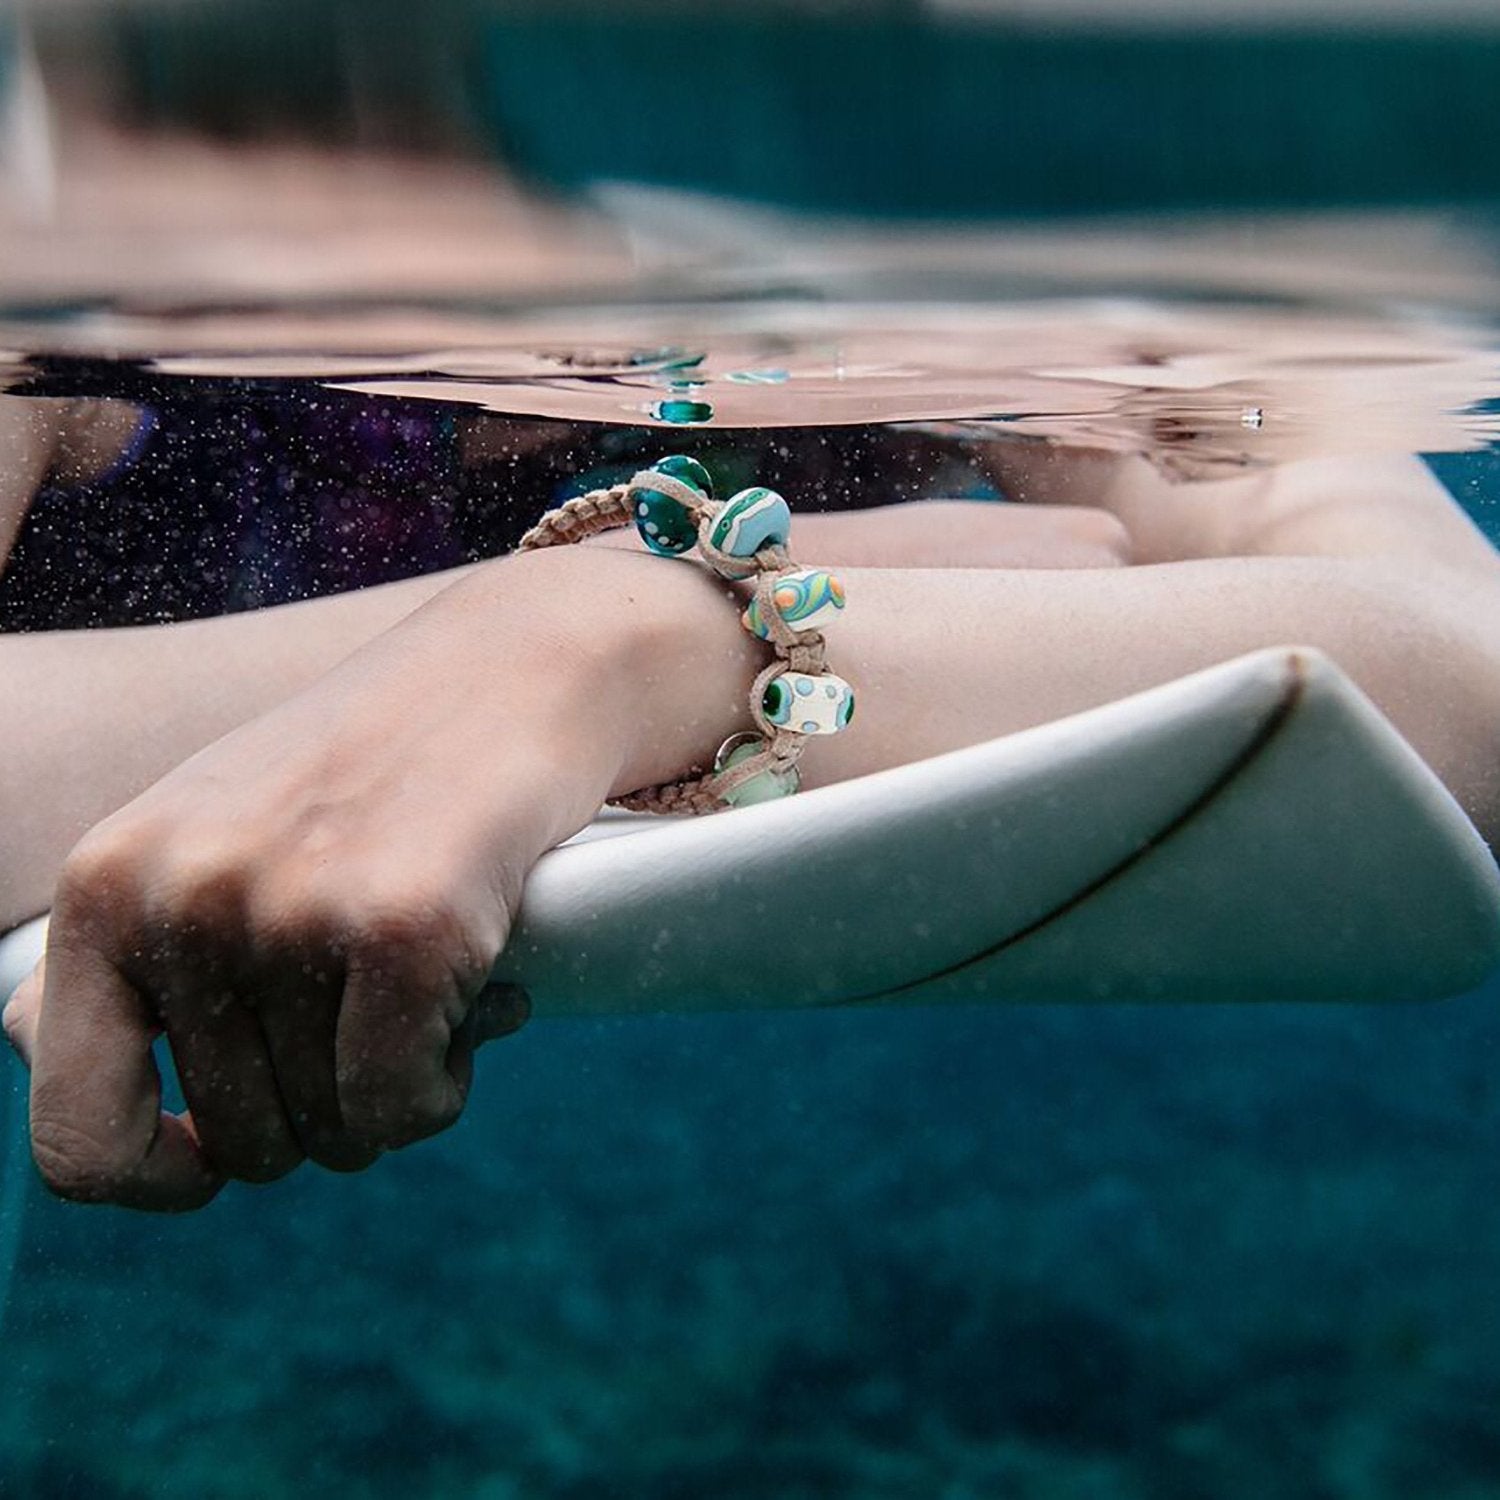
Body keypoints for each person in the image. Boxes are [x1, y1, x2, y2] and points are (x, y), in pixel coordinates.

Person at [2, 419, 1498, 1212]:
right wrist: (819, 598)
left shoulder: (980, 245)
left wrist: (620, 647)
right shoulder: (69, 249)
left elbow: (1472, 689)